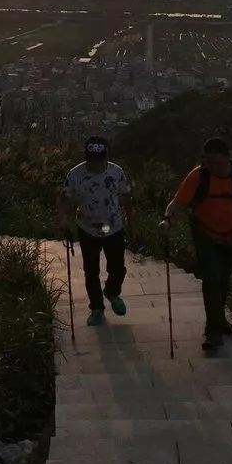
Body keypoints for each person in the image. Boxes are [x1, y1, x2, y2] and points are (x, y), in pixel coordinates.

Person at [159, 137, 232, 350]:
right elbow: (177, 202)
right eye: (208, 162)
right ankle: (212, 332)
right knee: (212, 278)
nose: (212, 167)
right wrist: (167, 219)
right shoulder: (199, 176)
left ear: (227, 158)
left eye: (217, 162)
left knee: (222, 282)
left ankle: (219, 319)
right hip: (204, 234)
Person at [57, 136, 134, 326]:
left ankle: (112, 292)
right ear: (87, 156)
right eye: (92, 158)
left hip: (114, 227)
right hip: (87, 228)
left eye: (99, 158)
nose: (95, 162)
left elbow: (126, 196)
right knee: (91, 271)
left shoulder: (116, 172)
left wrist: (132, 223)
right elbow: (64, 198)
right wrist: (62, 220)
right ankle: (97, 308)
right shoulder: (75, 174)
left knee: (118, 268)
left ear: (105, 156)